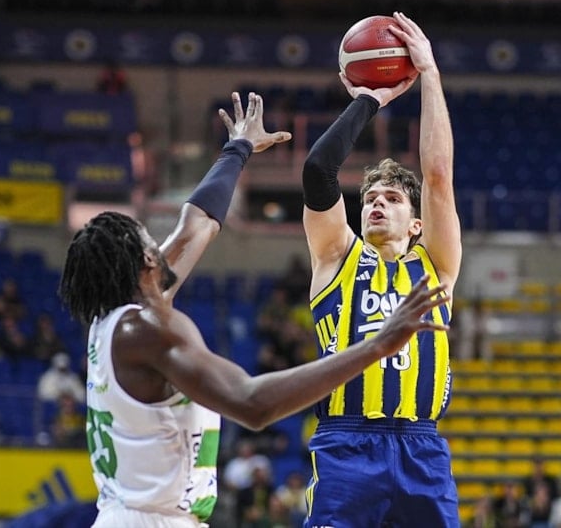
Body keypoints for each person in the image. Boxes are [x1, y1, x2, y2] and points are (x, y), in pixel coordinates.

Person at [57, 91, 449, 528]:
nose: (162, 245)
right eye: (151, 241)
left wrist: (238, 148)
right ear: (146, 261)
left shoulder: (119, 317)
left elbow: (197, 226)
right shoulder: (149, 328)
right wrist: (377, 345)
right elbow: (252, 403)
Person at [298, 12, 461, 527]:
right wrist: (370, 99)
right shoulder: (336, 257)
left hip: (421, 448)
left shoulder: (436, 264)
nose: (376, 204)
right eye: (370, 198)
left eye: (391, 199)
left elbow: (438, 176)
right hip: (347, 444)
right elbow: (318, 171)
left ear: (416, 224)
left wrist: (429, 73)